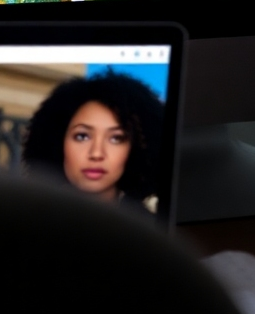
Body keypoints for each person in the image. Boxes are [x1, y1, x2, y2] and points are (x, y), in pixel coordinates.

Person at [22, 71, 164, 211]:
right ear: (57, 142)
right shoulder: (21, 225)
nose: (96, 153)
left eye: (116, 138)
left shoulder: (153, 231)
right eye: (82, 136)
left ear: (136, 147)